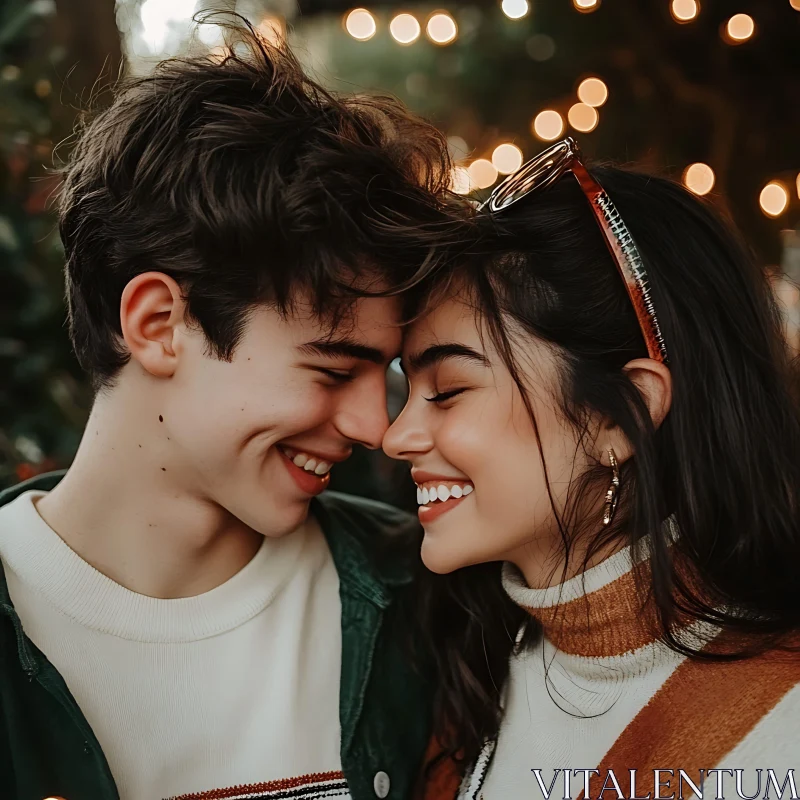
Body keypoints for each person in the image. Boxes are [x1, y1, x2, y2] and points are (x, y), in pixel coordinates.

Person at [0, 16, 472, 800]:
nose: (375, 427)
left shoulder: (425, 602)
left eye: (381, 373)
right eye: (331, 368)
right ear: (158, 325)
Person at [384, 139, 800, 799]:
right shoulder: (457, 661)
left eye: (449, 390)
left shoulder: (782, 725)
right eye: (407, 391)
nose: (394, 436)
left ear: (620, 413)